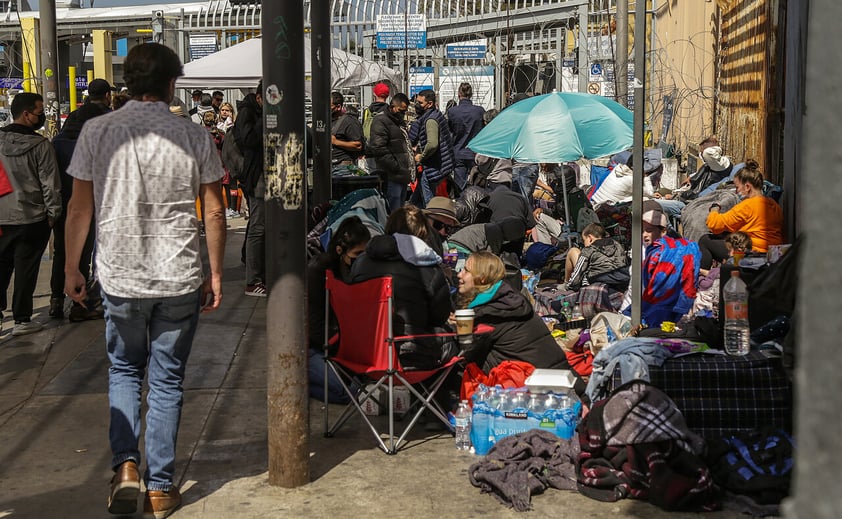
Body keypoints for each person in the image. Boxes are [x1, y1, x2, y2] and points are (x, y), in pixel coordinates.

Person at [63, 42, 226, 519]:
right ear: (172, 82)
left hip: (121, 274)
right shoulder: (193, 134)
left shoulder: (97, 130)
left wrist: (73, 266)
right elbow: (215, 210)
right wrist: (215, 271)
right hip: (178, 275)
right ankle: (159, 488)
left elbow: (79, 208)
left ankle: (126, 467)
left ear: (126, 84)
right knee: (168, 379)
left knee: (124, 370)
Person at [456, 252, 585, 390]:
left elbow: (466, 355)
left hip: (543, 395)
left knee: (458, 371)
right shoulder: (510, 300)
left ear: (481, 278)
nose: (459, 274)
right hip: (567, 384)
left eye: (466, 271)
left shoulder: (487, 313)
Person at [350, 205, 457, 370]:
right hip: (409, 354)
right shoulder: (427, 268)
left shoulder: (361, 261)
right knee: (455, 338)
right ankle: (432, 395)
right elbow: (440, 315)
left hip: (362, 350)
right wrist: (447, 280)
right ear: (422, 233)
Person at [0, 92, 61, 336]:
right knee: (26, 268)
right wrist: (53, 212)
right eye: (39, 111)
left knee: (1, 267)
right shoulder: (41, 145)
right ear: (26, 114)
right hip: (32, 217)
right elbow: (50, 183)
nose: (42, 116)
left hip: (2, 217)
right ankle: (22, 319)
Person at [49, 89, 111, 321]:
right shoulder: (90, 145)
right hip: (86, 206)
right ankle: (79, 304)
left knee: (61, 254)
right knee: (82, 254)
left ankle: (56, 302)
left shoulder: (56, 143)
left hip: (60, 204)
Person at [307, 216, 371, 402]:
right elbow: (315, 324)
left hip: (341, 346)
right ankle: (299, 383)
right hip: (318, 348)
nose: (360, 260)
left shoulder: (353, 270)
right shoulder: (318, 271)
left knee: (361, 386)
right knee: (349, 394)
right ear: (340, 250)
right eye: (357, 255)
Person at [699, 159, 783, 271]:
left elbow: (715, 225)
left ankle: (702, 278)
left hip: (752, 254)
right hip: (773, 254)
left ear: (747, 187)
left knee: (705, 240)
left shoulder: (747, 206)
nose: (736, 192)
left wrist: (714, 208)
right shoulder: (773, 204)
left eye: (737, 187)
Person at [639, 208, 701, 328]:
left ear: (663, 232)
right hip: (679, 306)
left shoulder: (657, 252)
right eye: (642, 231)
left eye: (649, 230)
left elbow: (647, 282)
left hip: (659, 307)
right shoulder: (649, 250)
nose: (644, 235)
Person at [235, 81, 267, 296]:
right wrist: (267, 117)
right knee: (258, 226)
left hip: (266, 175)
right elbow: (249, 140)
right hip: (257, 177)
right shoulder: (248, 114)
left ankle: (260, 273)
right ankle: (253, 279)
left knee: (263, 226)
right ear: (259, 98)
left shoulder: (255, 112)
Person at [365, 92, 413, 213]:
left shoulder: (398, 121)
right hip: (392, 175)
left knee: (399, 210)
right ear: (392, 107)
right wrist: (395, 166)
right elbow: (378, 148)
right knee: (393, 211)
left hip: (401, 174)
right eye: (401, 110)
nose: (402, 114)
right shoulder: (381, 121)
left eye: (404, 111)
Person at [409, 89, 456, 206]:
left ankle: (431, 222)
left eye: (420, 103)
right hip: (438, 165)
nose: (417, 105)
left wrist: (421, 157)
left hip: (432, 167)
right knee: (416, 201)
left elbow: (432, 144)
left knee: (429, 202)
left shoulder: (430, 120)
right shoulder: (435, 114)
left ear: (429, 104)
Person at [563, 223, 630, 293]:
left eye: (584, 240)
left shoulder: (588, 250)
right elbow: (624, 263)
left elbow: (577, 276)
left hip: (595, 287)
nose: (583, 244)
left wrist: (569, 287)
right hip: (620, 286)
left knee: (573, 251)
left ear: (590, 238)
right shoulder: (617, 245)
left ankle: (565, 282)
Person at [447, 82, 485, 191]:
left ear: (459, 94)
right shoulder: (479, 111)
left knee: (460, 185)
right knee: (477, 184)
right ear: (471, 94)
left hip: (458, 151)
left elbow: (450, 131)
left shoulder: (452, 111)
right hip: (475, 152)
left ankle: (462, 205)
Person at [590, 163, 655, 208]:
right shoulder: (631, 180)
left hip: (596, 203)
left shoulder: (617, 170)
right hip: (606, 209)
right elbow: (650, 194)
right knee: (645, 200)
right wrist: (646, 177)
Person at [330, 91, 364, 174]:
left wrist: (336, 142)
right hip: (329, 167)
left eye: (330, 106)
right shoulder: (328, 121)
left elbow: (358, 145)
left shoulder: (349, 121)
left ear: (338, 107)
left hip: (342, 168)